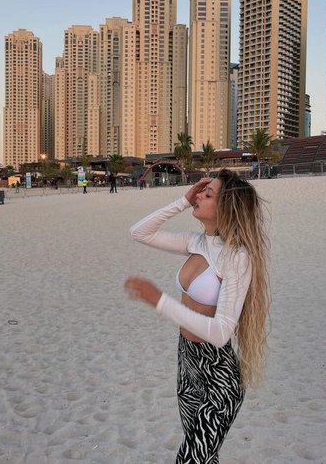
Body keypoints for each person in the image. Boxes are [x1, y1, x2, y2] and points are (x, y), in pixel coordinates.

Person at [124, 169, 270, 463]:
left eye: (208, 193)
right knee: (205, 458)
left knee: (191, 459)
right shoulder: (197, 242)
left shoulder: (236, 257)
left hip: (218, 375)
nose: (199, 195)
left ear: (226, 207)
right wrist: (183, 200)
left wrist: (159, 300)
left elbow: (221, 332)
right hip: (188, 362)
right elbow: (139, 232)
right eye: (201, 191)